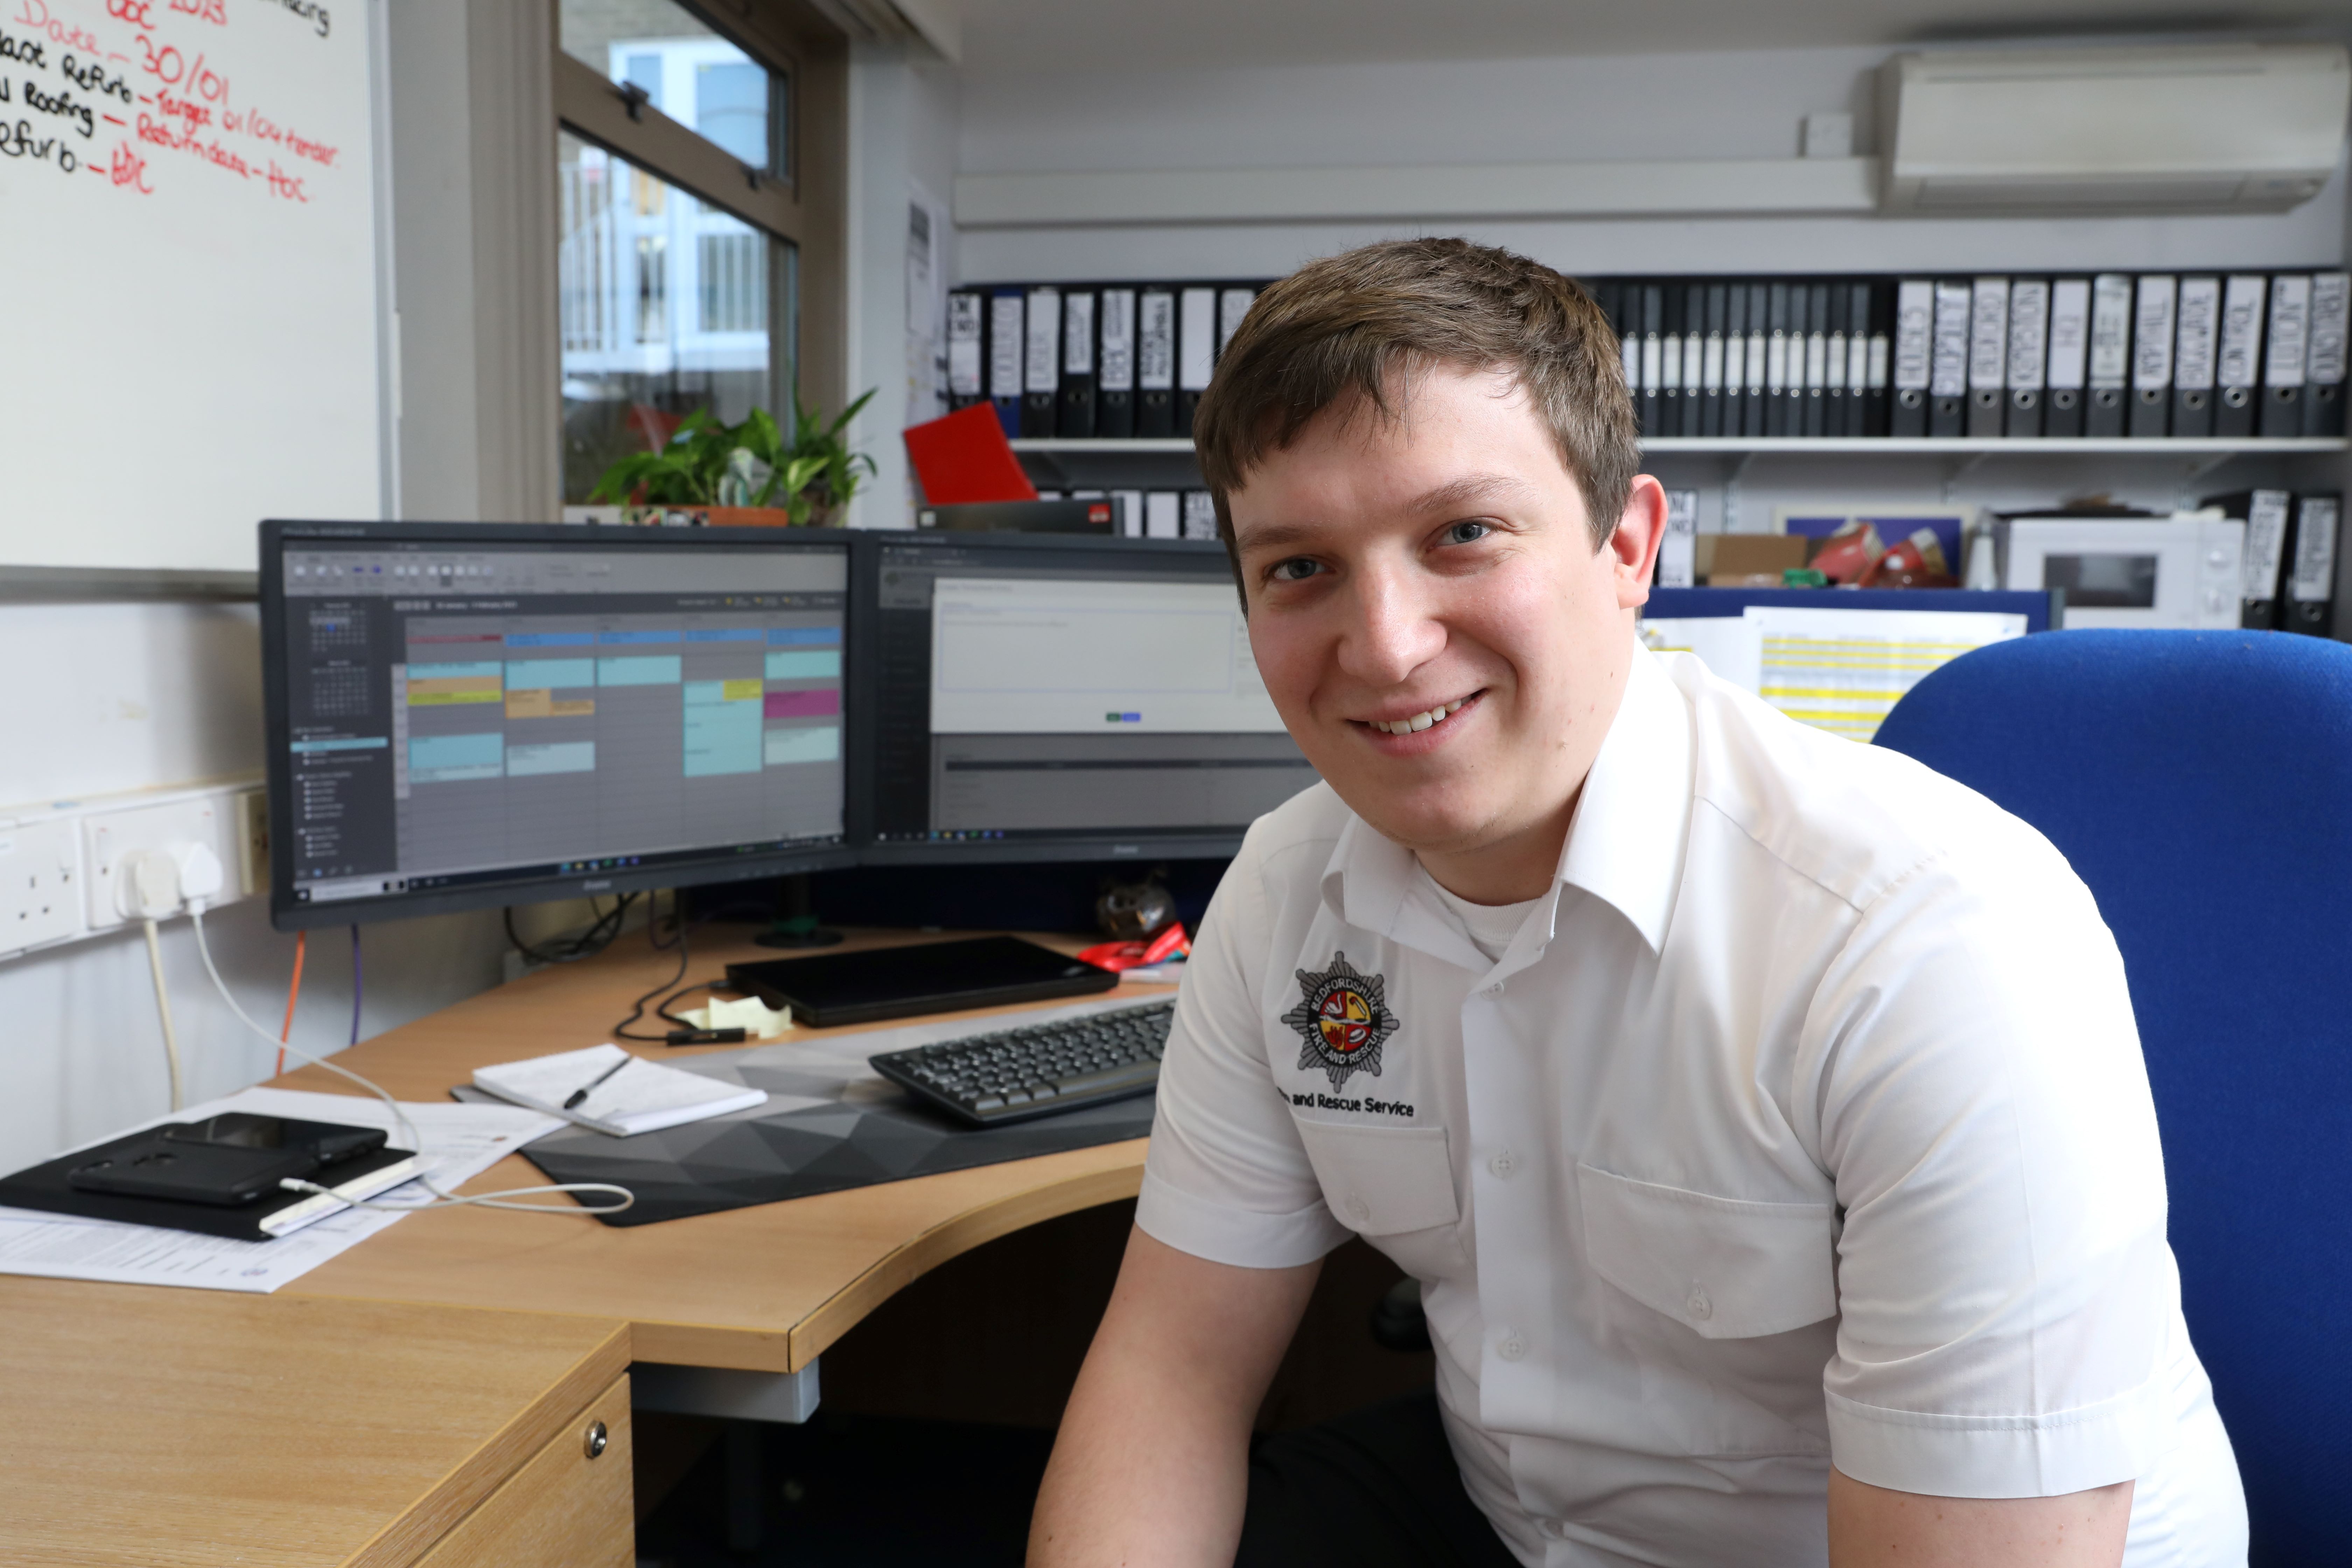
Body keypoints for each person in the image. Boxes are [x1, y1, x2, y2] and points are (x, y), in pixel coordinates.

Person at [1026, 239, 2246, 1568]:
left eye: (1464, 534)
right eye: (1299, 567)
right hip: (1527, 1517)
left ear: (1628, 544)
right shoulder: (1283, 891)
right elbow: (1171, 1380)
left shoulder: (1927, 938)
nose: (1383, 645)